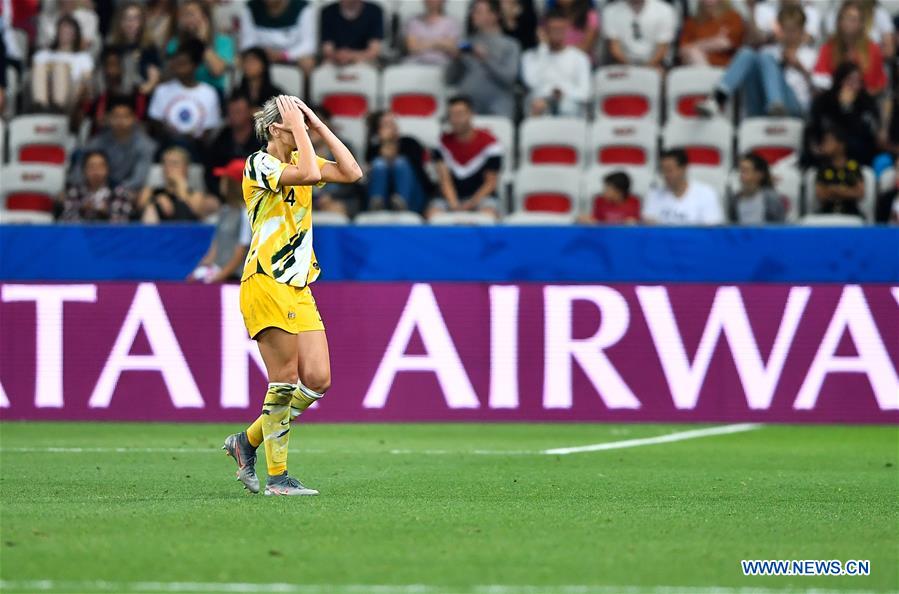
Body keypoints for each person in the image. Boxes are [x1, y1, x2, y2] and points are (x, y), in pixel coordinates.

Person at [222, 95, 363, 496]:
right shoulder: (259, 164)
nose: (300, 129)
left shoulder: (303, 158)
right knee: (283, 381)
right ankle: (278, 478)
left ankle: (246, 441)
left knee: (317, 380)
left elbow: (352, 173)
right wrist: (301, 127)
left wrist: (315, 124)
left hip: (298, 285)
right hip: (266, 280)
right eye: (292, 123)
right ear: (274, 130)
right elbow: (303, 171)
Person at [696, 5, 816, 118]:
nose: (789, 35)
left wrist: (800, 68)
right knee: (748, 53)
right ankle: (718, 98)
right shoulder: (770, 51)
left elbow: (819, 92)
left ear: (802, 30)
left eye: (793, 30)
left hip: (796, 108)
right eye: (785, 30)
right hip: (763, 107)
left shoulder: (811, 55)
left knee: (765, 56)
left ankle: (776, 103)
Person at [426, 95, 503, 220]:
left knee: (489, 214)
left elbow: (491, 182)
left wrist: (471, 204)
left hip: (481, 196)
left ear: (471, 114)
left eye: (460, 114)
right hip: (450, 197)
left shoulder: (490, 143)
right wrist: (454, 205)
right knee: (433, 214)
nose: (456, 119)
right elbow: (444, 180)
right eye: (452, 115)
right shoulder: (441, 143)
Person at [446, 0, 520, 119]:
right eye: (473, 11)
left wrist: (485, 58)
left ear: (494, 16)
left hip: (497, 110)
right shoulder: (466, 43)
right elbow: (449, 79)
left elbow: (509, 78)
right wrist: (456, 60)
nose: (473, 15)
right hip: (467, 113)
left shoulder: (510, 45)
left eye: (478, 11)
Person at [147, 39, 222, 147]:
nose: (178, 68)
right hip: (168, 146)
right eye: (176, 63)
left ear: (195, 66)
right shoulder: (162, 90)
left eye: (183, 64)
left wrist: (191, 141)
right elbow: (155, 122)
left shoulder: (209, 93)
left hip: (197, 149)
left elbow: (209, 129)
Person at [804, 61, 880, 167]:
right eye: (850, 80)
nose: (854, 86)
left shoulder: (866, 102)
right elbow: (812, 128)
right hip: (823, 155)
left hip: (856, 156)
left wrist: (847, 108)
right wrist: (815, 147)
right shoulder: (824, 100)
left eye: (858, 81)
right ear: (840, 81)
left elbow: (865, 136)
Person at [75, 96, 157, 192]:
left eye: (125, 116)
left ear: (134, 118)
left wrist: (115, 193)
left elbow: (138, 179)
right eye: (116, 116)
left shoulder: (146, 145)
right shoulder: (98, 141)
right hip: (97, 189)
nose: (120, 121)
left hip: (128, 191)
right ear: (108, 118)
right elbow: (79, 170)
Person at [188, 159, 252, 283]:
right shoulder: (224, 211)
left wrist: (220, 276)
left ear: (234, 184)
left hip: (236, 278)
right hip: (219, 273)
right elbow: (216, 246)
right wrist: (199, 270)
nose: (221, 182)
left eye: (225, 179)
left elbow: (242, 251)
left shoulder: (246, 213)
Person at [521, 8, 591, 117]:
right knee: (536, 103)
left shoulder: (580, 58)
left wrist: (562, 93)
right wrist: (543, 48)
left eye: (561, 29)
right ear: (544, 30)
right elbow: (532, 83)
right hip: (540, 108)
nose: (557, 33)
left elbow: (585, 93)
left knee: (567, 106)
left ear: (567, 29)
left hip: (570, 109)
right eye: (553, 29)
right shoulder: (530, 56)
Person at [812, 0, 887, 95]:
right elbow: (820, 79)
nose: (848, 23)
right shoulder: (828, 48)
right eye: (844, 18)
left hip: (865, 101)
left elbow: (879, 84)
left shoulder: (873, 49)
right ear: (838, 21)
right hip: (834, 101)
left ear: (861, 24)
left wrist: (858, 99)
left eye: (853, 19)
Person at [365, 110, 432, 212]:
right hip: (386, 197)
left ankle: (401, 202)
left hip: (413, 196)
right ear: (378, 130)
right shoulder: (373, 149)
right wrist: (385, 143)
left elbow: (418, 171)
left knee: (400, 163)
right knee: (379, 164)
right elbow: (369, 174)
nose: (393, 127)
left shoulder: (410, 142)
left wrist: (391, 147)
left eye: (393, 123)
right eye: (387, 124)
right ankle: (377, 203)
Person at [165, 0, 234, 93]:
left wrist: (202, 42)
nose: (186, 19)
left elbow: (217, 71)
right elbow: (170, 73)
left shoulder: (223, 41)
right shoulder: (175, 42)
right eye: (184, 15)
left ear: (205, 17)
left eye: (191, 14)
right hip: (181, 92)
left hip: (212, 92)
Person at [643, 148, 724, 225]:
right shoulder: (653, 195)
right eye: (663, 170)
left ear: (683, 168)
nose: (665, 175)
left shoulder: (707, 194)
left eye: (669, 170)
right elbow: (649, 228)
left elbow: (713, 232)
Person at [31, 15, 93, 111]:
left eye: (69, 32)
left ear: (75, 35)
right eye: (62, 31)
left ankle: (58, 108)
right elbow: (34, 74)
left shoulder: (83, 57)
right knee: (40, 68)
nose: (65, 34)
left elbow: (87, 79)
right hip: (46, 88)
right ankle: (41, 106)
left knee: (60, 68)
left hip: (71, 93)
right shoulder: (44, 54)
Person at [239, 0, 317, 75]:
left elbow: (308, 44)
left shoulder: (302, 7)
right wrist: (263, 54)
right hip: (262, 56)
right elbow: (247, 43)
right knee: (242, 60)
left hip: (291, 57)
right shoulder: (251, 7)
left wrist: (283, 55)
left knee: (308, 62)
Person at [58, 150, 134, 223]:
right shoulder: (74, 192)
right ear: (84, 170)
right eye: (92, 167)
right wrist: (82, 210)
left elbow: (124, 225)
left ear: (107, 169)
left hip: (110, 235)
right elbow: (66, 223)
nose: (96, 171)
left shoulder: (119, 192)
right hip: (81, 235)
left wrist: (106, 213)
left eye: (100, 166)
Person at [137, 146, 208, 223]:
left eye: (174, 163)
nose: (168, 167)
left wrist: (181, 184)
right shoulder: (151, 190)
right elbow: (140, 206)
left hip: (185, 232)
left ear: (186, 167)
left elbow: (194, 212)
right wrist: (156, 200)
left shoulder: (196, 194)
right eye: (165, 163)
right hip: (157, 232)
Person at [205, 94, 260, 190]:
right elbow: (210, 172)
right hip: (226, 193)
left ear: (250, 112)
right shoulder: (221, 138)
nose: (234, 116)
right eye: (231, 112)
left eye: (238, 112)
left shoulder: (262, 138)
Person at [106, 1, 162, 96]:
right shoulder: (111, 46)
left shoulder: (149, 47)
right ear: (119, 22)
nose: (131, 23)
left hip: (140, 96)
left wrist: (142, 92)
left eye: (135, 18)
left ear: (142, 22)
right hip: (116, 95)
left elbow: (154, 77)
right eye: (127, 18)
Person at [602, 0, 676, 70]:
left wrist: (647, 68)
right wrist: (632, 68)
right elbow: (615, 48)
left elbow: (662, 49)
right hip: (623, 63)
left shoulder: (664, 10)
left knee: (660, 73)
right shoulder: (610, 11)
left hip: (655, 63)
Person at [813, 127, 866, 218]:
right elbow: (821, 195)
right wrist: (847, 191)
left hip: (851, 212)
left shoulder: (853, 167)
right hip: (827, 212)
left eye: (829, 141)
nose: (824, 145)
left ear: (840, 145)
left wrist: (832, 189)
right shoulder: (823, 168)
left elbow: (860, 193)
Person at [679, 0, 746, 67]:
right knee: (694, 53)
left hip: (726, 68)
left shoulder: (733, 16)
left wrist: (696, 45)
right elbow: (683, 49)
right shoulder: (692, 22)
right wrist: (713, 42)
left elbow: (726, 43)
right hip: (696, 65)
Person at [822, 0, 895, 60]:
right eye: (848, 19)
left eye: (854, 20)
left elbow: (889, 50)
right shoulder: (833, 14)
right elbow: (833, 47)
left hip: (873, 61)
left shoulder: (880, 14)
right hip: (841, 63)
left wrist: (871, 56)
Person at [320, 0, 384, 67]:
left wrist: (351, 56)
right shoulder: (328, 12)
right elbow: (327, 50)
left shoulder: (374, 11)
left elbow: (374, 51)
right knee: (324, 71)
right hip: (335, 60)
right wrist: (340, 56)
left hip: (365, 59)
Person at [728, 153, 786, 224]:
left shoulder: (771, 198)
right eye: (740, 171)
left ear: (759, 174)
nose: (741, 175)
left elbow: (779, 227)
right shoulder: (735, 199)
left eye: (745, 171)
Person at [404, 0, 462, 66]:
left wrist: (422, 43)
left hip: (441, 66)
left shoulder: (451, 23)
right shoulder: (414, 22)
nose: (431, 1)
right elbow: (412, 48)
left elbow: (453, 49)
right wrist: (440, 43)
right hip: (415, 64)